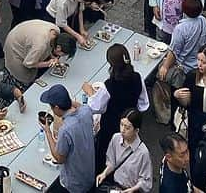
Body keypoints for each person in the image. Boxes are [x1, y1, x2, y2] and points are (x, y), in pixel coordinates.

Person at [85, 42, 145, 170]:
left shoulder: (110, 85)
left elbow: (95, 107)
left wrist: (90, 92)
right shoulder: (137, 77)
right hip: (131, 123)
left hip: (111, 127)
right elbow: (143, 103)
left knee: (106, 155)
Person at [42, 83, 98, 193]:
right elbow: (80, 107)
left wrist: (47, 132)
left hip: (74, 184)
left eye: (52, 107)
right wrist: (66, 101)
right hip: (89, 174)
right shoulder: (86, 111)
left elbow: (59, 158)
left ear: (57, 108)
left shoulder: (66, 129)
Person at [172, 43, 206, 150]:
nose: (199, 64)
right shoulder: (192, 77)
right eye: (198, 60)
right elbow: (184, 102)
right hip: (192, 124)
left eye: (204, 62)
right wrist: (177, 95)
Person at [2, 18, 74, 86]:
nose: (61, 56)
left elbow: (50, 46)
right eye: (63, 54)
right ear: (58, 47)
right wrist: (48, 63)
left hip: (22, 33)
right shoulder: (40, 45)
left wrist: (53, 57)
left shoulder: (56, 31)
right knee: (26, 77)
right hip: (14, 49)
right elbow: (28, 64)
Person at [97, 110, 154, 193]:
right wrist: (104, 173)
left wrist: (132, 189)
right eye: (121, 125)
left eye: (127, 128)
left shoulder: (143, 153)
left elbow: (146, 181)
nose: (122, 130)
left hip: (130, 189)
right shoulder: (116, 138)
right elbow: (112, 162)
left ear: (136, 130)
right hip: (115, 187)